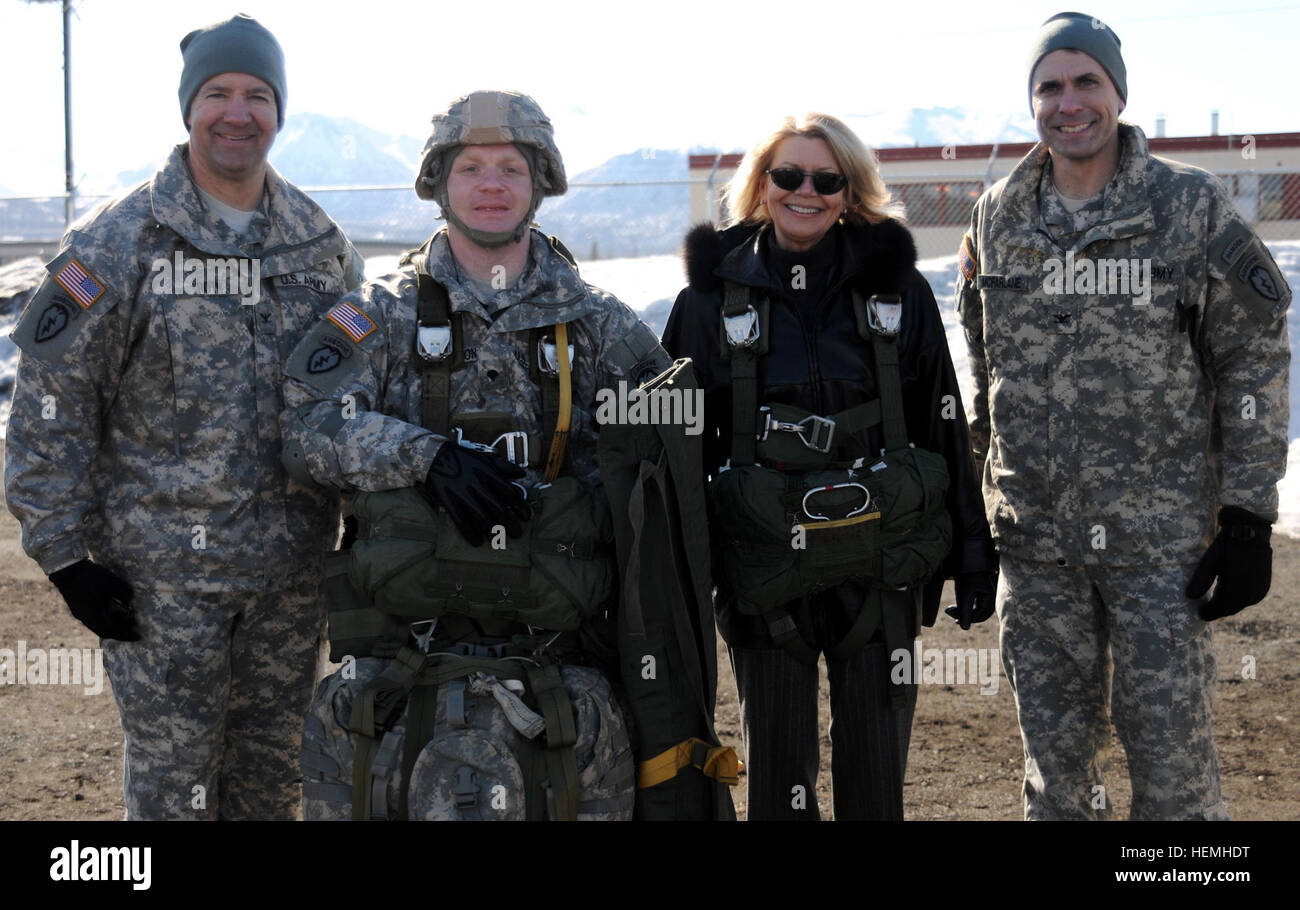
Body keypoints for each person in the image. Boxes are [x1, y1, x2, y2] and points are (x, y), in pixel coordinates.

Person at [285, 90, 735, 821]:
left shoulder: (599, 325)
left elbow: (667, 457)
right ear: (438, 184)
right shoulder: (381, 314)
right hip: (404, 660)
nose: (490, 184)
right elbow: (305, 425)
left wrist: (577, 501)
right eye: (469, 168)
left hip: (560, 665)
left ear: (540, 185)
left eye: (510, 169)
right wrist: (425, 459)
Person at [5, 13, 363, 820]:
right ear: (188, 108)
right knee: (174, 795)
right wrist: (65, 560)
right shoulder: (115, 243)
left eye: (258, 95)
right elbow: (50, 409)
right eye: (218, 93)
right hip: (162, 587)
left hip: (289, 583)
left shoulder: (320, 247)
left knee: (271, 790)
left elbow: (350, 395)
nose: (238, 113)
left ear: (280, 111)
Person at [957, 12, 1291, 820]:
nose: (1068, 104)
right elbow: (983, 364)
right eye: (1049, 87)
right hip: (1037, 550)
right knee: (1056, 774)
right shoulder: (997, 216)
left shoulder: (1189, 208)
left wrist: (1247, 515)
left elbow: (1253, 355)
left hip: (1160, 548)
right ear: (1031, 102)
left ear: (1117, 92)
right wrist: (976, 507)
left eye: (1086, 83)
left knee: (1172, 771)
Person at [662, 112, 996, 820]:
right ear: (760, 185)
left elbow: (943, 418)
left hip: (882, 566)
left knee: (876, 783)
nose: (804, 191)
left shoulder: (898, 293)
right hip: (762, 574)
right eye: (787, 176)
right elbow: (677, 449)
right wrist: (675, 575)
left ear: (851, 192)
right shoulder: (709, 300)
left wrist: (973, 552)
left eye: (825, 179)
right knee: (779, 784)